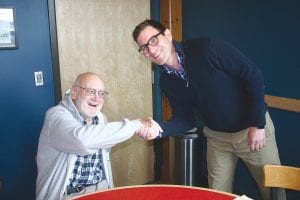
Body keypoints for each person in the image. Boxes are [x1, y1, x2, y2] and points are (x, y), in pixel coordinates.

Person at [132, 19, 285, 200]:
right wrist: (158, 130)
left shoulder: (207, 48)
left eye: (153, 40)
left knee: (273, 191)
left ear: (168, 34)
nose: (151, 50)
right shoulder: (167, 81)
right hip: (217, 138)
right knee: (215, 195)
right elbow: (184, 119)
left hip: (252, 130)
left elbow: (252, 75)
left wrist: (258, 124)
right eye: (144, 48)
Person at [36, 72, 162, 200]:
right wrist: (135, 125)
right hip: (67, 195)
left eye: (101, 93)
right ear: (73, 92)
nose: (96, 98)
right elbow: (82, 141)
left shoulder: (101, 118)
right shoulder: (55, 116)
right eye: (91, 91)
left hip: (100, 189)